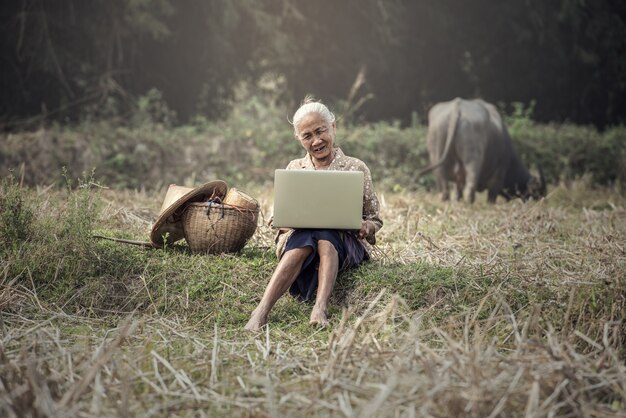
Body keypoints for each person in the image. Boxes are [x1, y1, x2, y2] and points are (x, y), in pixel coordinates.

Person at [244, 96, 383, 331]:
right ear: (299, 139)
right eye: (307, 136)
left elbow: (374, 218)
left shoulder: (355, 167)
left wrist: (366, 227)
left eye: (321, 131)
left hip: (342, 242)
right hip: (302, 242)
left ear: (333, 127)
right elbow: (276, 217)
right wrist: (287, 221)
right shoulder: (294, 169)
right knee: (306, 236)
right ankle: (261, 311)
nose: (317, 140)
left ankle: (320, 308)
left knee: (326, 233)